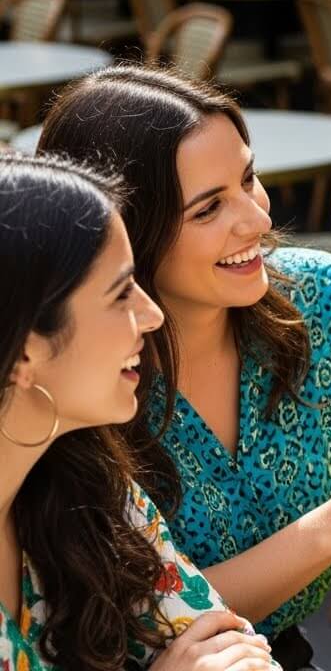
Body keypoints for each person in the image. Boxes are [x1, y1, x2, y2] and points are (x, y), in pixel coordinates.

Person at [36, 67, 331, 668]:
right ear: (126, 236)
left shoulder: (322, 302)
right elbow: (136, 622)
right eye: (208, 209)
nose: (256, 220)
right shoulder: (84, 382)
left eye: (249, 179)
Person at [1, 152, 275, 670]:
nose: (151, 315)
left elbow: (229, 648)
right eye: (121, 292)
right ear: (23, 349)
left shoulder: (93, 486)